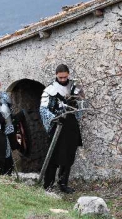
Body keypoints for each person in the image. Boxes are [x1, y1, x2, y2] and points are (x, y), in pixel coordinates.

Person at [40, 64, 84, 193]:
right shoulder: (50, 89)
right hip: (57, 125)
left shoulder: (75, 87)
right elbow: (43, 110)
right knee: (53, 155)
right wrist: (55, 117)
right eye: (60, 77)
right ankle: (48, 184)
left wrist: (76, 104)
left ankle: (63, 183)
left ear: (68, 74)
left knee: (69, 156)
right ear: (56, 75)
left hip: (71, 126)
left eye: (65, 77)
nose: (63, 79)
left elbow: (82, 106)